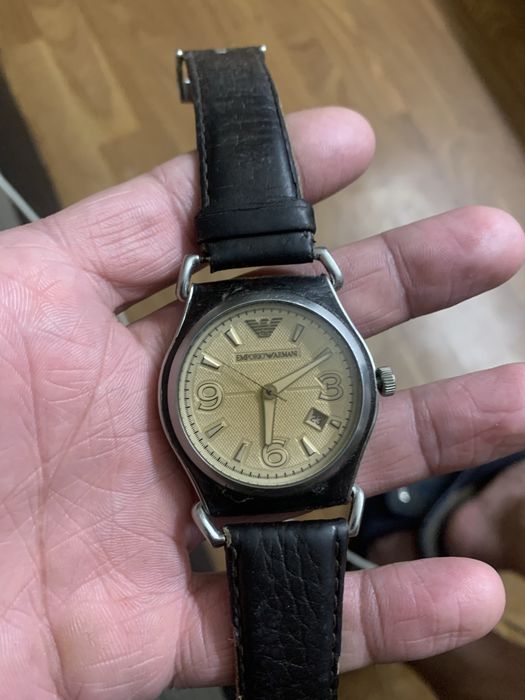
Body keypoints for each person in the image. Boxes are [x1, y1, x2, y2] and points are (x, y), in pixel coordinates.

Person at [0, 107, 524, 699]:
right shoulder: (266, 311)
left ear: (373, 382)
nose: (270, 390)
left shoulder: (286, 298)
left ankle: (412, 535)